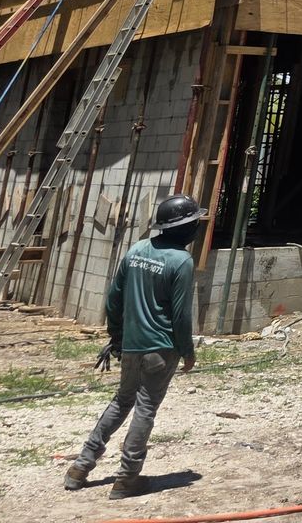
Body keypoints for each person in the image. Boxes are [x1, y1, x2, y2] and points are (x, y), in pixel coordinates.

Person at [64, 193, 206, 499]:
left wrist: (116, 337)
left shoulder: (137, 250)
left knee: (121, 402)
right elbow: (180, 316)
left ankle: (81, 465)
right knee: (145, 408)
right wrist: (188, 352)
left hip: (131, 347)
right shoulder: (181, 261)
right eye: (196, 223)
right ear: (186, 229)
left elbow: (113, 300)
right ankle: (127, 478)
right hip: (161, 349)